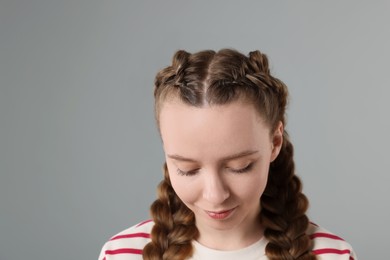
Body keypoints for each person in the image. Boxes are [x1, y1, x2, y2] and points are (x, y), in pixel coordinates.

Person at [99, 49, 357, 260]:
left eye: (240, 166)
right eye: (187, 169)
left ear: (275, 141)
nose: (215, 195)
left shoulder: (332, 256)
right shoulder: (121, 254)